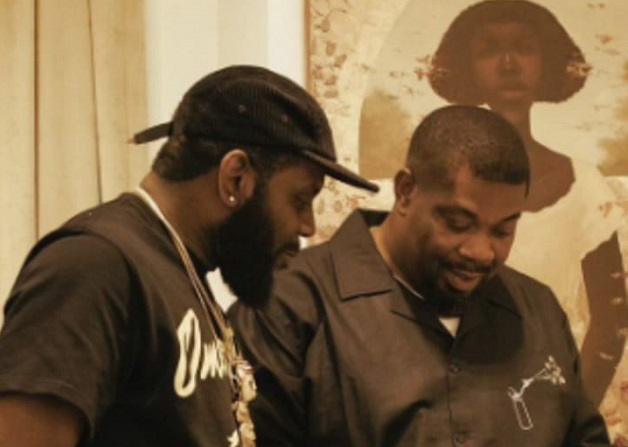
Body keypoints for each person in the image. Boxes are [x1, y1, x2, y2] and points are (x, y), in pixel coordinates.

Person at [0, 65, 378, 447]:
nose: (308, 227)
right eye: (300, 200)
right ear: (236, 177)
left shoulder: (184, 273)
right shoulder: (95, 265)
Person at [229, 105, 610, 446]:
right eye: (458, 223)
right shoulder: (286, 309)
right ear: (406, 192)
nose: (481, 251)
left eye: (503, 230)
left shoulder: (538, 312)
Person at [427, 0, 628, 410]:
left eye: (523, 48)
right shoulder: (441, 184)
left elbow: (612, 319)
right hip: (463, 406)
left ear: (546, 61)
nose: (508, 64)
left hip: (554, 401)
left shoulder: (582, 185)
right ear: (469, 67)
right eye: (489, 50)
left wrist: (571, 416)